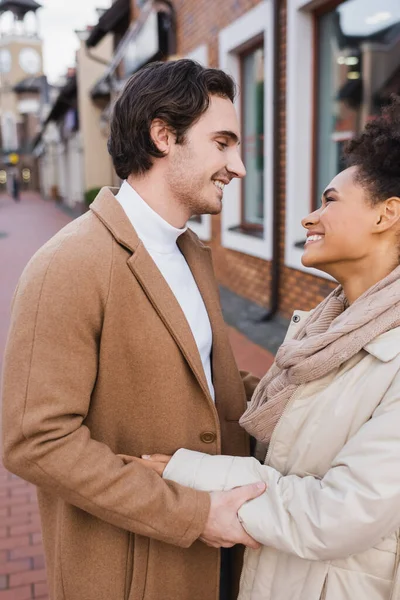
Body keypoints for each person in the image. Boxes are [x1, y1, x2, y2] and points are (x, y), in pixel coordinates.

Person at [1, 59, 265, 600]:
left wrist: (320, 399)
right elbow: (35, 441)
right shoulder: (69, 264)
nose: (237, 167)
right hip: (130, 575)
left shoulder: (191, 251)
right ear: (164, 135)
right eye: (222, 143)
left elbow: (205, 372)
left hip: (215, 565)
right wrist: (193, 512)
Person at [140, 97, 400, 600]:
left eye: (330, 200)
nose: (309, 218)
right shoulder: (328, 330)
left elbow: (337, 515)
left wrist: (189, 472)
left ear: (387, 215)